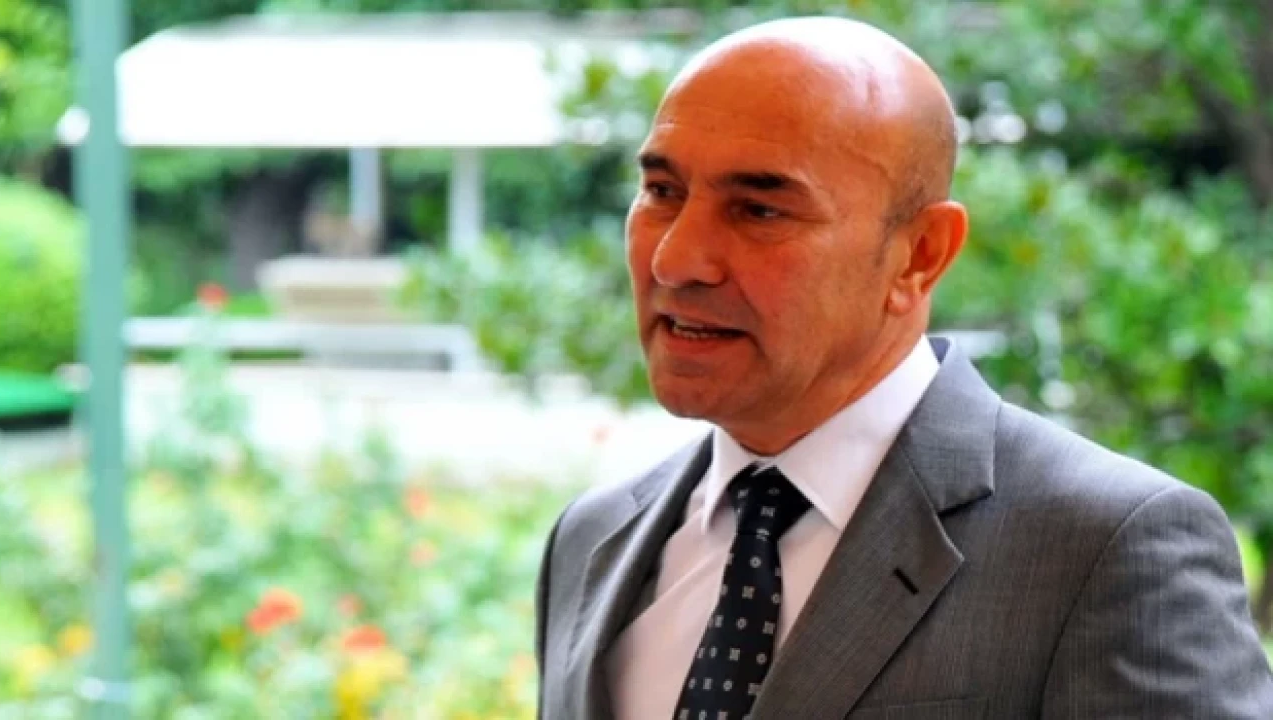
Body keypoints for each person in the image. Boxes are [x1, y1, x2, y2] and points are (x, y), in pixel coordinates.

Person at [533, 15, 1273, 720]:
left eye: (759, 211)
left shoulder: (1105, 548)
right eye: (663, 193)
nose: (676, 259)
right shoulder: (592, 538)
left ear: (921, 254)